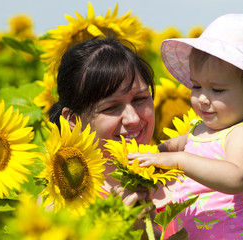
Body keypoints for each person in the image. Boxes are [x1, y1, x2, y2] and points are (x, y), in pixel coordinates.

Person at [128, 14, 243, 239]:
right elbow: (172, 147)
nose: (202, 98)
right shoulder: (199, 129)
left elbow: (237, 177)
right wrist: (150, 158)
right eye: (197, 86)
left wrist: (180, 161)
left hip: (233, 234)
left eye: (217, 90)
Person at [48, 36, 163, 237]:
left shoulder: (184, 173)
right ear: (73, 119)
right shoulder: (62, 206)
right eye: (111, 107)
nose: (133, 118)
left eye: (140, 99)